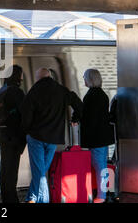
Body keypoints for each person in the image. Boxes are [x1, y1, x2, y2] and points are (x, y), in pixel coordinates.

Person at [20, 67, 83, 203]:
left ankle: (43, 200)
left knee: (40, 174)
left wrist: (27, 131)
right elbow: (79, 105)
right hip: (53, 139)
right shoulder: (61, 90)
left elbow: (25, 117)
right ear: (50, 76)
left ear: (38, 78)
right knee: (41, 171)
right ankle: (31, 198)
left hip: (36, 138)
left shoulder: (33, 92)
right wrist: (75, 118)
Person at [71, 69, 115, 203]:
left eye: (84, 77)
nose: (83, 80)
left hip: (96, 138)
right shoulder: (101, 94)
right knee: (100, 165)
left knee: (99, 165)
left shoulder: (91, 95)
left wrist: (75, 118)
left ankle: (102, 196)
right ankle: (105, 193)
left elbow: (85, 113)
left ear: (90, 79)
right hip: (101, 137)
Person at [0, 64, 27, 203]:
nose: (22, 77)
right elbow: (24, 115)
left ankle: (7, 199)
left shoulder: (2, 90)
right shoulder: (17, 92)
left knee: (5, 168)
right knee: (11, 170)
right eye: (20, 74)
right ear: (17, 76)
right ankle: (11, 200)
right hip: (12, 135)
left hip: (1, 132)